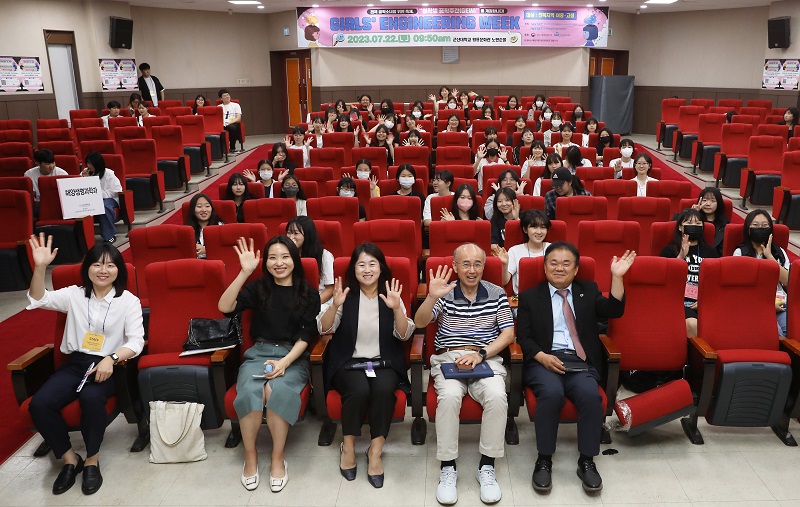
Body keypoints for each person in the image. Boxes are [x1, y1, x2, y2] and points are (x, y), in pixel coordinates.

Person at [26, 235, 144, 496]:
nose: (103, 270)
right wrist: (41, 267)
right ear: (87, 268)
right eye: (97, 264)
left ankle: (92, 459)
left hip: (108, 365)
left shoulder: (128, 301)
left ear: (119, 270)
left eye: (110, 265)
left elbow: (136, 341)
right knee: (39, 404)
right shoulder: (74, 295)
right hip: (76, 364)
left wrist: (111, 359)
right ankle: (70, 459)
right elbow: (38, 299)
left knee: (91, 398)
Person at [516, 242, 635, 494]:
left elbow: (614, 310)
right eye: (553, 263)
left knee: (591, 395)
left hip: (579, 362)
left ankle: (587, 461)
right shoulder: (529, 296)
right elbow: (523, 337)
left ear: (576, 269)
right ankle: (544, 459)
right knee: (551, 394)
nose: (559, 268)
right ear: (545, 267)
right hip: (544, 361)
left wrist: (617, 277)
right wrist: (542, 357)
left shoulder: (587, 290)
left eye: (566, 263)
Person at [413, 243, 515, 506]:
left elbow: (508, 334)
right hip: (450, 356)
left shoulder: (496, 292)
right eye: (466, 264)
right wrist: (431, 297)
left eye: (478, 264)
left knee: (497, 396)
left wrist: (481, 353)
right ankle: (448, 467)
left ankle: (487, 466)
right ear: (455, 267)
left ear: (484, 266)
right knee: (448, 397)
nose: (472, 270)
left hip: (485, 356)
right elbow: (420, 322)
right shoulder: (444, 291)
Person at [218, 236, 320, 492]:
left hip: (292, 355)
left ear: (295, 260)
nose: (279, 263)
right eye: (272, 258)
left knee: (276, 390)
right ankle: (250, 456)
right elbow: (225, 307)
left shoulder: (309, 294)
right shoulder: (259, 288)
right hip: (259, 353)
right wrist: (244, 273)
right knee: (250, 390)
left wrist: (285, 362)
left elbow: (307, 336)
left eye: (285, 257)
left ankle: (277, 457)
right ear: (266, 262)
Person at [317, 243, 414, 488]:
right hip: (348, 362)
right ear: (354, 269)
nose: (367, 269)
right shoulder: (345, 295)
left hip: (384, 361)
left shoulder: (390, 294)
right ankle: (348, 446)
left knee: (383, 390)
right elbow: (324, 328)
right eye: (361, 264)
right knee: (358, 390)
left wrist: (397, 309)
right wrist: (334, 305)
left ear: (381, 268)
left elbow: (404, 335)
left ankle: (376, 450)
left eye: (373, 264)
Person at [659, 208, 718, 338]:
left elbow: (716, 283)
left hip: (703, 303)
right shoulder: (669, 250)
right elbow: (664, 280)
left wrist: (704, 301)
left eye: (698, 223)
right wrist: (681, 256)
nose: (694, 226)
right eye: (689, 223)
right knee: (692, 324)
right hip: (677, 302)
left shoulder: (711, 252)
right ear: (680, 227)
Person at [733, 209, 790, 337]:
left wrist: (769, 256)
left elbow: (788, 281)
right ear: (748, 230)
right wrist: (768, 304)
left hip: (781, 302)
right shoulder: (740, 253)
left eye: (764, 226)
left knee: (792, 332)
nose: (760, 229)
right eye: (755, 225)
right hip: (755, 304)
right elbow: (740, 288)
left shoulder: (779, 252)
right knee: (776, 333)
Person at [496, 209, 552, 295]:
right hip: (522, 298)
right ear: (525, 230)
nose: (539, 232)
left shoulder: (553, 249)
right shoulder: (514, 251)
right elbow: (504, 281)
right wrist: (504, 264)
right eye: (534, 227)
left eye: (543, 227)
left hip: (548, 297)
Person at [286, 216, 334, 305]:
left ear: (307, 235)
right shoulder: (286, 255)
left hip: (319, 301)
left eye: (296, 233)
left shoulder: (325, 256)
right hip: (294, 300)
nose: (291, 237)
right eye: (289, 233)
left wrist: (313, 305)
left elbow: (330, 289)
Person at [82, 152, 122, 243]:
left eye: (90, 164)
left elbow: (115, 191)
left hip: (109, 198)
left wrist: (99, 194)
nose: (88, 166)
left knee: (103, 206)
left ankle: (110, 235)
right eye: (87, 163)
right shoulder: (85, 173)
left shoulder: (109, 174)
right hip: (91, 199)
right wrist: (84, 179)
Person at [692, 186, 729, 255]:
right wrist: (693, 214)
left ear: (719, 203)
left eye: (713, 201)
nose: (708, 204)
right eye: (705, 200)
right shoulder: (694, 221)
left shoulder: (725, 225)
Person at [186, 193, 223, 259]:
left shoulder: (220, 226)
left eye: (207, 206)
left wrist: (206, 250)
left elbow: (225, 250)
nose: (204, 210)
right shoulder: (188, 229)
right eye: (199, 207)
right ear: (193, 209)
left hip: (215, 261)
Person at [218, 89, 244, 153]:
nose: (227, 97)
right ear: (221, 98)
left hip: (233, 123)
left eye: (228, 95)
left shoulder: (236, 105)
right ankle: (221, 149)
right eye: (224, 96)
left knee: (232, 128)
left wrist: (229, 123)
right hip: (223, 124)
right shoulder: (219, 107)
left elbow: (238, 118)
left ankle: (232, 148)